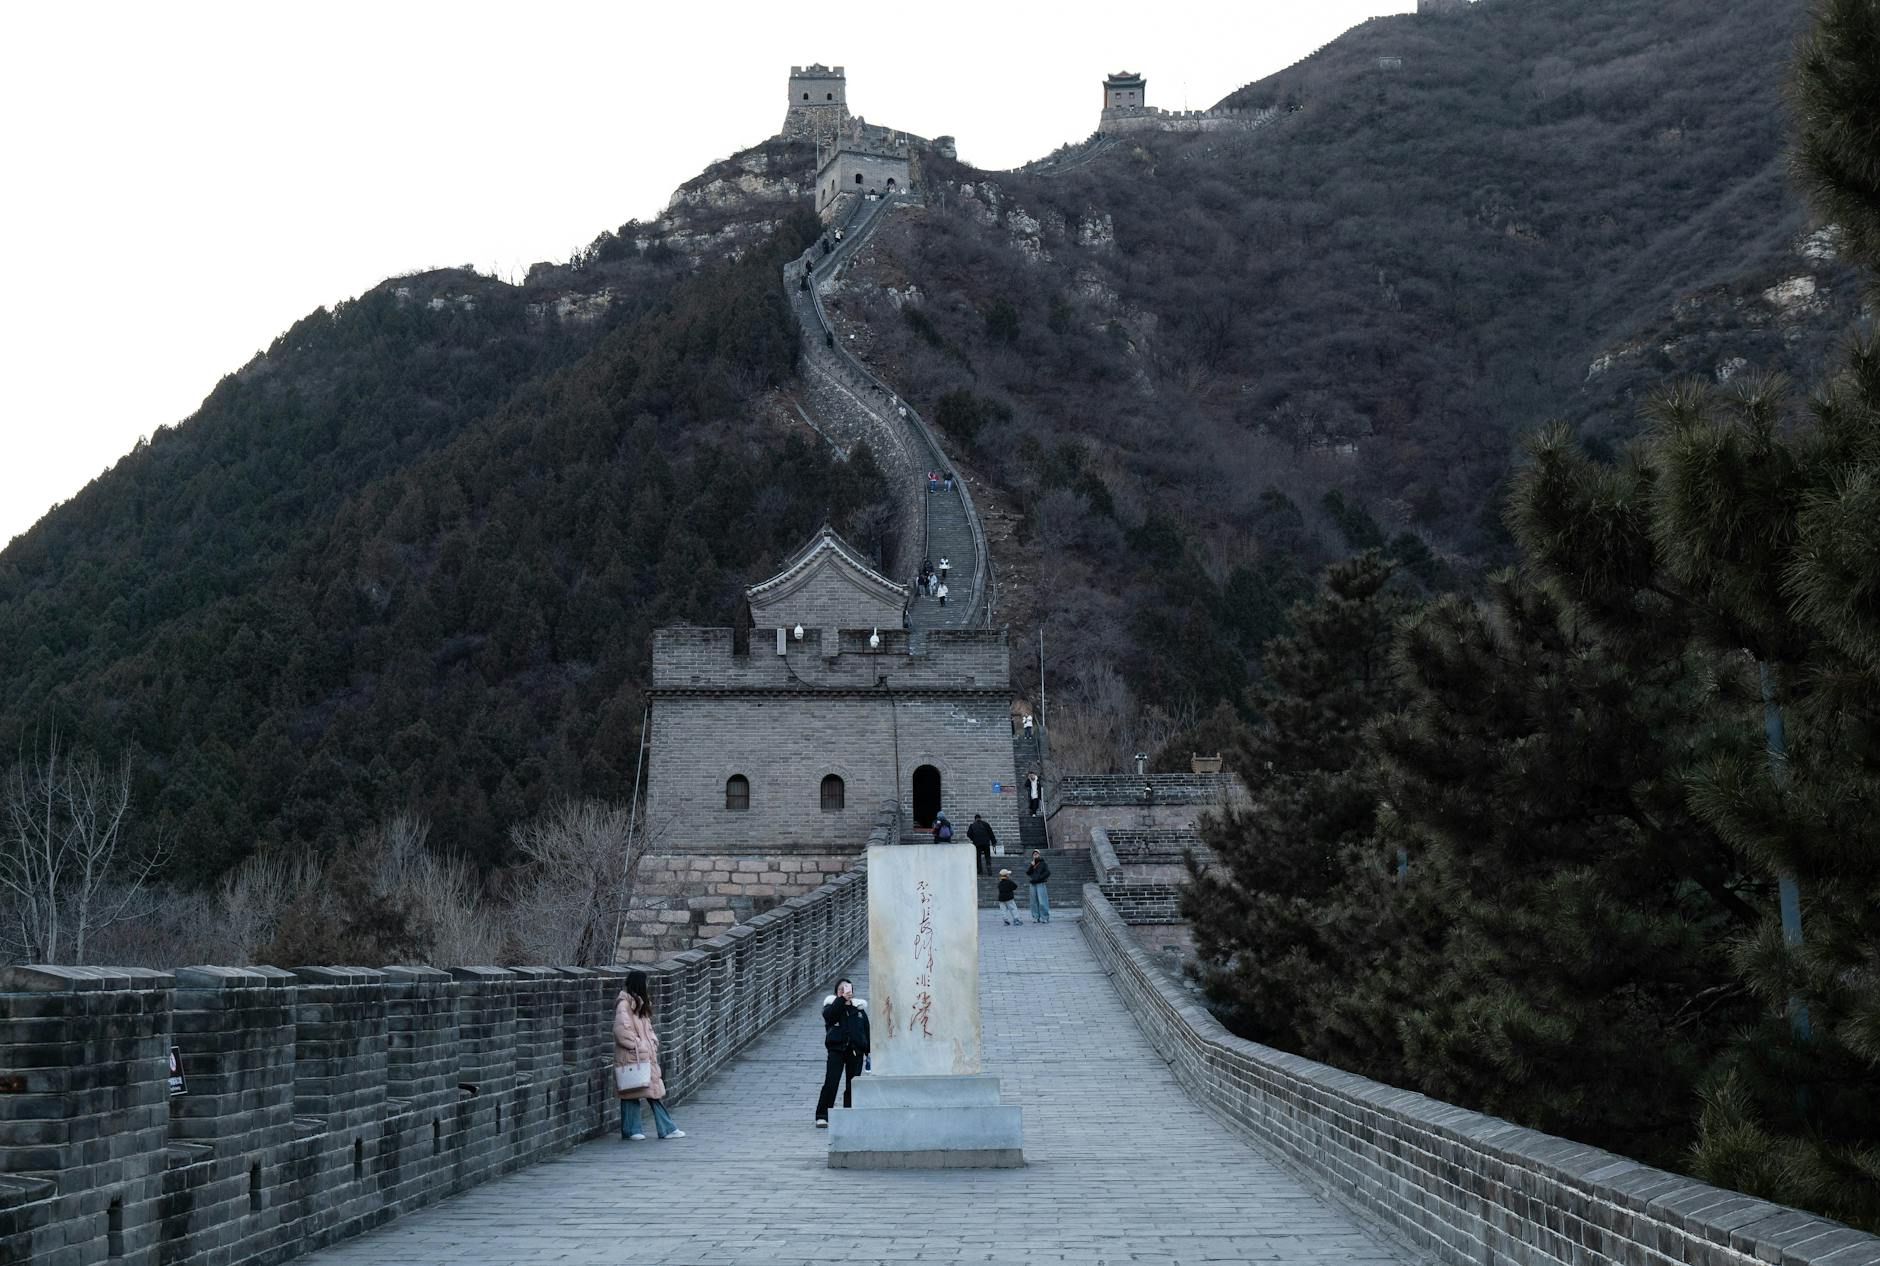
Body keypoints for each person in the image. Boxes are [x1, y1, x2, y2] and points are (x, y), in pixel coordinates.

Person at [614, 970, 686, 1141]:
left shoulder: (640, 1005)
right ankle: (656, 1129)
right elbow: (621, 1031)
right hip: (633, 1056)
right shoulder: (624, 1005)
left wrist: (653, 1041)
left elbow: (649, 1030)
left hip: (644, 1056)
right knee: (632, 1091)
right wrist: (640, 1045)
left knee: (648, 1091)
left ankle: (634, 1130)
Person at [816, 978, 870, 1127]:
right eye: (842, 989)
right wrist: (841, 1000)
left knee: (852, 1084)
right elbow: (830, 1017)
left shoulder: (858, 1009)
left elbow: (866, 1030)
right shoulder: (831, 1006)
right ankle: (822, 1115)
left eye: (848, 989)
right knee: (831, 1082)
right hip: (836, 1051)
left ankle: (849, 1113)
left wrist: (868, 1050)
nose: (845, 991)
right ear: (836, 991)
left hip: (855, 1052)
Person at [1026, 849, 1051, 923]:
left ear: (1039, 854)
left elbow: (1048, 872)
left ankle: (1045, 917)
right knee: (1033, 902)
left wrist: (1040, 878)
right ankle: (1036, 917)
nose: (1035, 854)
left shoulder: (1043, 863)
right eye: (1034, 854)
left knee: (1042, 901)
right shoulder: (1032, 863)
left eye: (1036, 853)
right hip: (1033, 884)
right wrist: (1031, 866)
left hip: (1040, 883)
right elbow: (1028, 873)